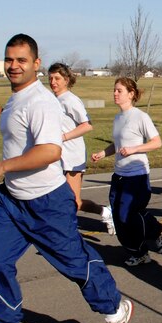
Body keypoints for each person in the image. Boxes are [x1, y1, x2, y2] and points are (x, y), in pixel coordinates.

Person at [0, 34, 132, 323]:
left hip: (47, 201)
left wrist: (2, 166)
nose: (13, 66)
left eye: (21, 60)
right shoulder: (15, 99)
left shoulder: (40, 101)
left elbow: (50, 151)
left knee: (75, 264)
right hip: (13, 200)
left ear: (36, 63)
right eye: (9, 59)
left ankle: (115, 309)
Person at [90, 78, 162, 266]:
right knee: (118, 217)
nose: (115, 94)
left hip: (136, 176)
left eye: (119, 90)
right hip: (119, 175)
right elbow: (118, 145)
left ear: (131, 94)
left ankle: (157, 231)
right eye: (114, 90)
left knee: (128, 215)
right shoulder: (118, 118)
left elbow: (156, 142)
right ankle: (140, 252)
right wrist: (103, 153)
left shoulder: (140, 116)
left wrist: (134, 149)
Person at [48, 62, 115, 235]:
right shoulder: (53, 100)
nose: (53, 82)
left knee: (73, 202)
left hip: (72, 156)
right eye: (50, 78)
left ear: (66, 79)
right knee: (56, 197)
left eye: (57, 78)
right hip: (57, 156)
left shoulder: (70, 100)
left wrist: (63, 137)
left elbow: (87, 125)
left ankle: (105, 212)